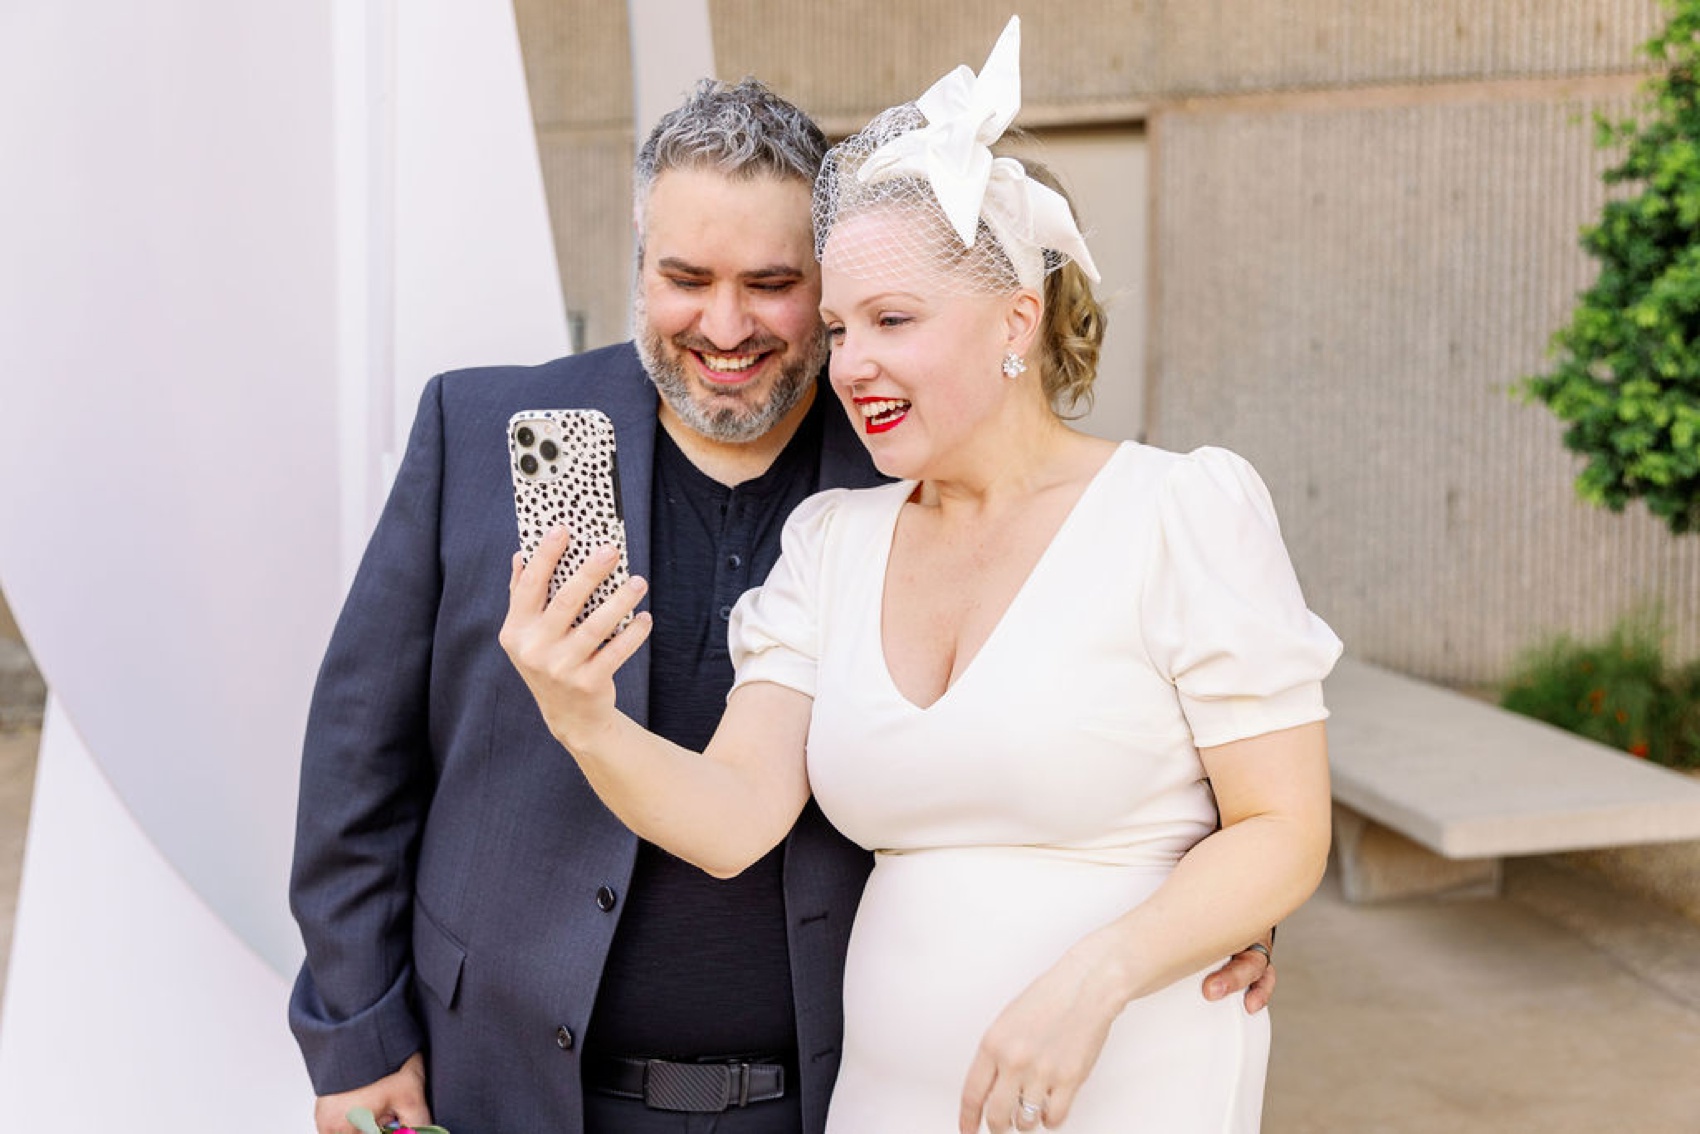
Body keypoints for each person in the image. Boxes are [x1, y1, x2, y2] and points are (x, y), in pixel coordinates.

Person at [290, 70, 1276, 1134]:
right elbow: (359, 757)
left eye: (771, 283)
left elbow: (1172, 751)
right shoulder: (487, 430)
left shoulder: (908, 467)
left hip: (824, 1089)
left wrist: (1213, 917)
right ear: (637, 265)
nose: (723, 326)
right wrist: (357, 1032)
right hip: (514, 1081)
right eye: (683, 277)